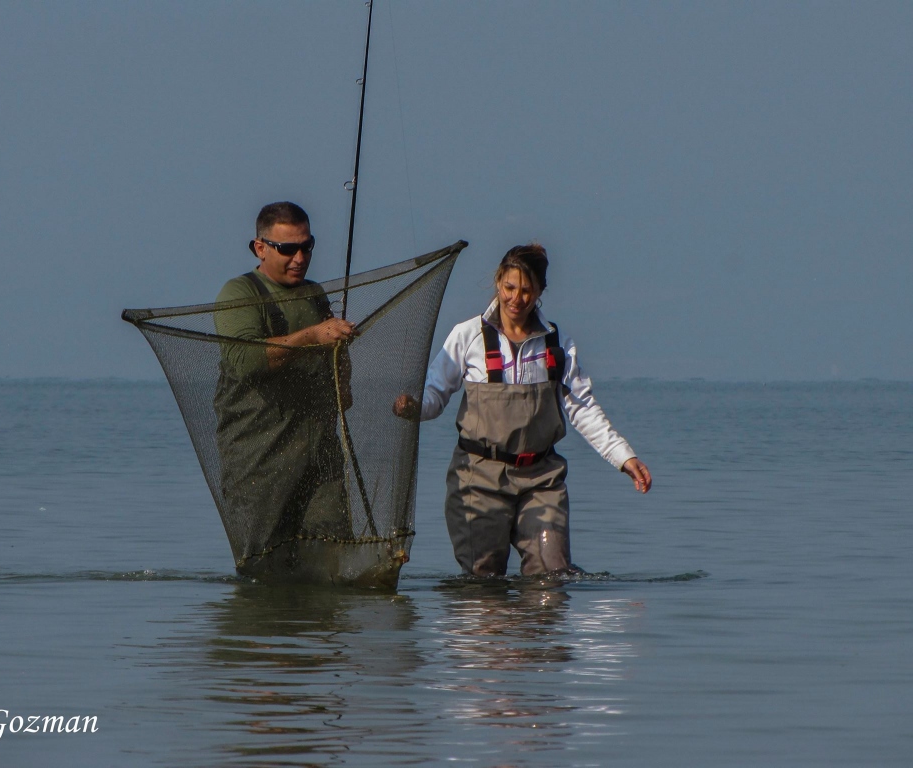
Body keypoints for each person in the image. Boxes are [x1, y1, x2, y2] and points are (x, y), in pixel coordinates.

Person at [394, 243, 651, 577]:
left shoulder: (557, 343)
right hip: (477, 478)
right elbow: (434, 394)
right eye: (509, 287)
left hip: (542, 479)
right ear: (498, 282)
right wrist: (414, 408)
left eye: (527, 291)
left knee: (551, 577)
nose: (516, 299)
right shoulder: (467, 335)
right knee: (482, 586)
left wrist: (624, 456)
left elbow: (583, 408)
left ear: (541, 291)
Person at [213, 202, 355, 573]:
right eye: (287, 249)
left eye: (307, 247)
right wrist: (311, 336)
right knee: (265, 567)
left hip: (320, 455)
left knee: (333, 560)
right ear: (259, 247)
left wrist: (340, 362)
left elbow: (336, 370)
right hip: (258, 460)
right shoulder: (239, 293)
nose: (299, 258)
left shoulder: (315, 294)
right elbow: (246, 361)